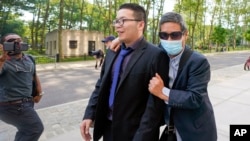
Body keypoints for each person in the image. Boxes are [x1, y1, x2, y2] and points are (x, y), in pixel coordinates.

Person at [80, 3, 169, 141]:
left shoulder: (156, 55)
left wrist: (141, 137)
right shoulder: (112, 51)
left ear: (140, 25)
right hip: (108, 130)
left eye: (123, 20)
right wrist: (89, 114)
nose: (117, 25)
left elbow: (155, 107)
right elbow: (101, 85)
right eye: (116, 21)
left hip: (136, 133)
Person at [148, 12, 217, 141]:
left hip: (194, 131)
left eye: (175, 35)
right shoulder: (159, 54)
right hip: (170, 128)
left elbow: (194, 98)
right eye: (164, 35)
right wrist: (122, 40)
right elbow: (141, 49)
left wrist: (162, 91)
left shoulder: (198, 62)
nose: (169, 40)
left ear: (185, 34)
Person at [0, 33, 44, 141]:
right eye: (11, 41)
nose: (16, 43)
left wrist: (39, 92)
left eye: (19, 40)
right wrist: (1, 60)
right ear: (3, 45)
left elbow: (34, 75)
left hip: (27, 103)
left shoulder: (29, 58)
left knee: (25, 130)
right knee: (35, 128)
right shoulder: (3, 61)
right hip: (11, 106)